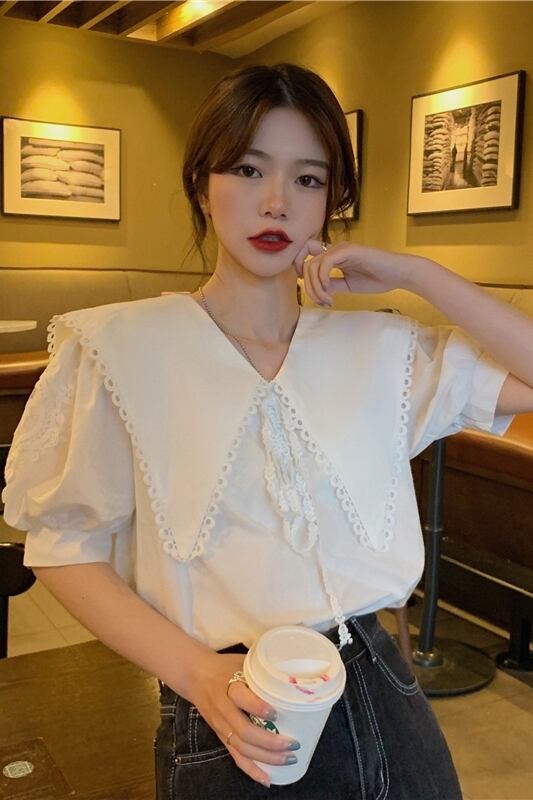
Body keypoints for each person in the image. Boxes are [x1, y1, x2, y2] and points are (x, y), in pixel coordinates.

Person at [3, 62, 533, 800]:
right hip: (233, 704)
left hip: (385, 695)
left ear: (331, 202)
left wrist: (416, 273)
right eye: (248, 169)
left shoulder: (382, 351)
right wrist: (196, 673)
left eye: (308, 179)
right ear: (202, 184)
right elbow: (64, 547)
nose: (277, 201)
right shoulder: (120, 350)